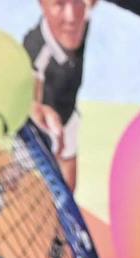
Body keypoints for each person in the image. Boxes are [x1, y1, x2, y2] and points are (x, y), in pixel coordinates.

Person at [30, 0, 91, 189]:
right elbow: (33, 95)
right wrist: (42, 124)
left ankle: (66, 208)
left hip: (69, 116)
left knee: (69, 162)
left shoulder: (81, 23)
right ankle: (4, 186)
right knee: (22, 166)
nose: (71, 16)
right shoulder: (36, 46)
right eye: (59, 4)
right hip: (45, 126)